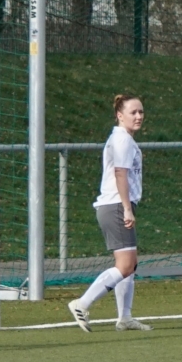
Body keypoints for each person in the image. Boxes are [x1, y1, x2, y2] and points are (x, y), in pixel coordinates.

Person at [69, 94, 150, 332]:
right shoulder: (122, 140)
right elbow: (120, 174)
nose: (138, 116)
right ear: (119, 115)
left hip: (117, 205)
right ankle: (82, 304)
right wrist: (126, 208)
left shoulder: (122, 138)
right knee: (125, 265)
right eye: (133, 112)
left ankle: (124, 317)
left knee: (130, 265)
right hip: (116, 205)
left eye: (141, 112)